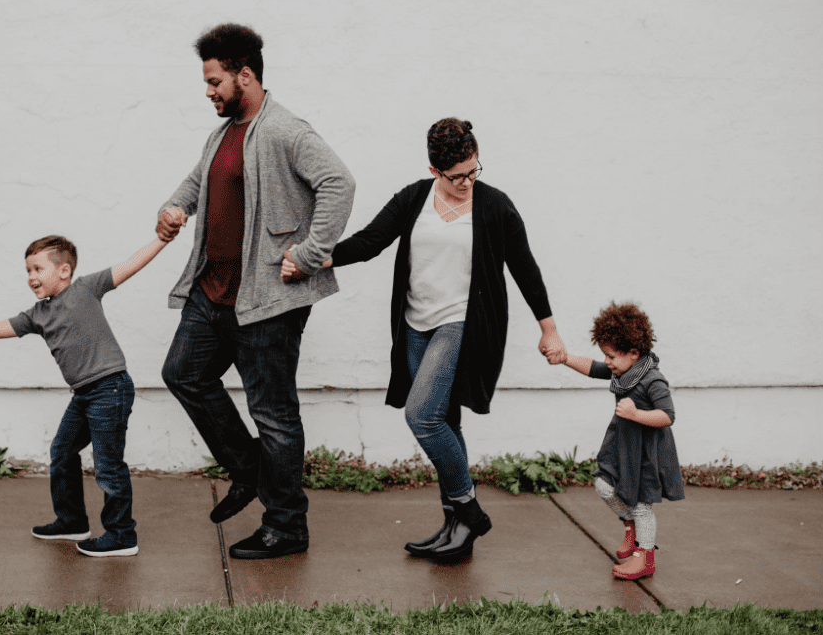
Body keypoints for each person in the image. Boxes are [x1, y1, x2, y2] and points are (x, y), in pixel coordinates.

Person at [283, 117, 566, 559]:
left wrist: (548, 329)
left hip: (462, 324)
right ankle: (456, 531)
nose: (468, 182)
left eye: (475, 171)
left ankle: (469, 511)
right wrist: (314, 260)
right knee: (445, 422)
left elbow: (525, 267)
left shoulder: (494, 206)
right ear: (435, 170)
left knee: (423, 417)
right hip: (415, 325)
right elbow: (371, 241)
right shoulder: (416, 198)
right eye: (457, 177)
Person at [157, 23, 355, 560]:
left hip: (266, 300)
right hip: (213, 292)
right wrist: (174, 208)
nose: (209, 91)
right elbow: (198, 181)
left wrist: (310, 254)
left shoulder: (286, 131)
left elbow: (340, 183)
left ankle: (287, 525)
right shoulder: (223, 133)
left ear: (245, 75)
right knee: (183, 374)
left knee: (274, 414)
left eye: (215, 80)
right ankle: (248, 471)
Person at [0, 234, 171, 557]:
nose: (31, 277)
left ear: (64, 271)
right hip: (84, 395)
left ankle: (122, 534)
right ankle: (72, 521)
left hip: (110, 389)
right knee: (62, 451)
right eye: (27, 271)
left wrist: (162, 239)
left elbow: (131, 263)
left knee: (108, 466)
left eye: (38, 269)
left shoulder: (87, 288)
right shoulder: (38, 315)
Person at [555, 301, 684, 580]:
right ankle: (631, 527)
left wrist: (636, 413)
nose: (608, 362)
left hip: (645, 451)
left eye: (612, 356)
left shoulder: (652, 380)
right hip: (623, 445)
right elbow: (592, 368)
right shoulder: (623, 370)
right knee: (603, 484)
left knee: (641, 504)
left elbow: (668, 416)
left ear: (634, 352)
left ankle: (645, 557)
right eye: (606, 356)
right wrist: (565, 357)